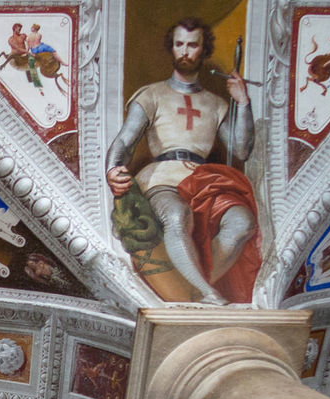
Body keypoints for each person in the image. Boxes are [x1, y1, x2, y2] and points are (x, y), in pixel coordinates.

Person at [106, 17, 258, 304]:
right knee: (176, 216)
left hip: (202, 180)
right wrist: (113, 168)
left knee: (243, 222)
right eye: (180, 45)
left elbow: (240, 149)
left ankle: (190, 285)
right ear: (172, 48)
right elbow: (126, 140)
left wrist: (243, 102)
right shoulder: (152, 95)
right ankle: (207, 292)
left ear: (203, 50)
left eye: (192, 45)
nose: (185, 52)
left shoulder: (215, 103)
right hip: (161, 177)